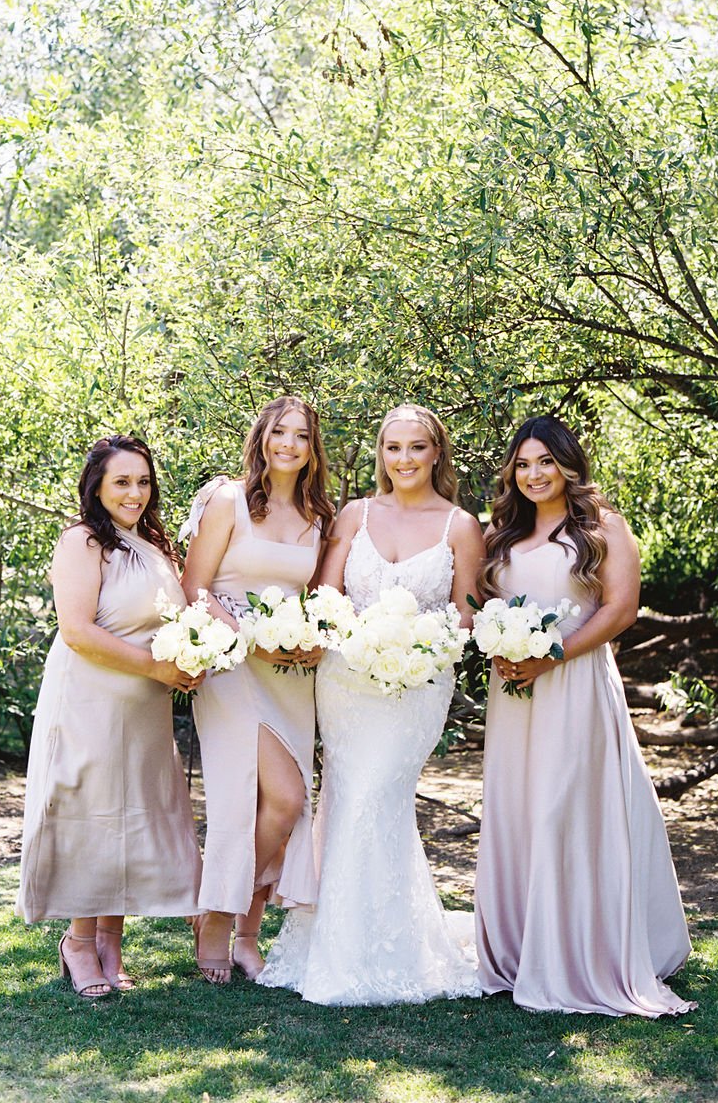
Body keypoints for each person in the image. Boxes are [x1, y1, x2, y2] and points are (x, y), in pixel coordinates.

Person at [258, 404, 486, 1005]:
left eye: (416, 448)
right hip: (346, 681)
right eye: (393, 448)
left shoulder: (460, 525)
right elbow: (327, 591)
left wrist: (419, 642)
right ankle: (337, 946)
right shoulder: (355, 514)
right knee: (348, 797)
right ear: (381, 453)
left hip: (418, 683)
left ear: (437, 453)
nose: (404, 460)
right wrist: (356, 634)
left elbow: (466, 615)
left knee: (375, 796)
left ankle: (379, 950)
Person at [474, 415, 694, 1016]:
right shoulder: (501, 533)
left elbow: (621, 609)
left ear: (569, 464)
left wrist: (553, 654)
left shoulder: (601, 528)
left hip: (574, 683)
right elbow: (482, 603)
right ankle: (521, 947)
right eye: (522, 464)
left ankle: (577, 948)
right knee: (519, 805)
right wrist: (501, 645)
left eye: (545, 461)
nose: (534, 474)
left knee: (564, 803)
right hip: (514, 693)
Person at [16, 435, 203, 998]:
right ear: (97, 486)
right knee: (92, 813)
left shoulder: (151, 543)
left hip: (143, 707)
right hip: (90, 699)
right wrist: (156, 667)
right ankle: (78, 942)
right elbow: (77, 632)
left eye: (143, 481)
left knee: (129, 816)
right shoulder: (82, 540)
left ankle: (111, 944)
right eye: (122, 481)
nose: (135, 493)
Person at [181, 396, 335, 984]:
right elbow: (194, 584)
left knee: (283, 806)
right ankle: (215, 917)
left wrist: (313, 637)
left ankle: (246, 931)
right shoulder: (228, 500)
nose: (288, 444)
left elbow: (319, 597)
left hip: (290, 673)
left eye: (300, 435)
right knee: (279, 795)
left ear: (312, 447)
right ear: (261, 438)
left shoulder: (319, 515)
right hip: (232, 666)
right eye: (278, 433)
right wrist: (249, 638)